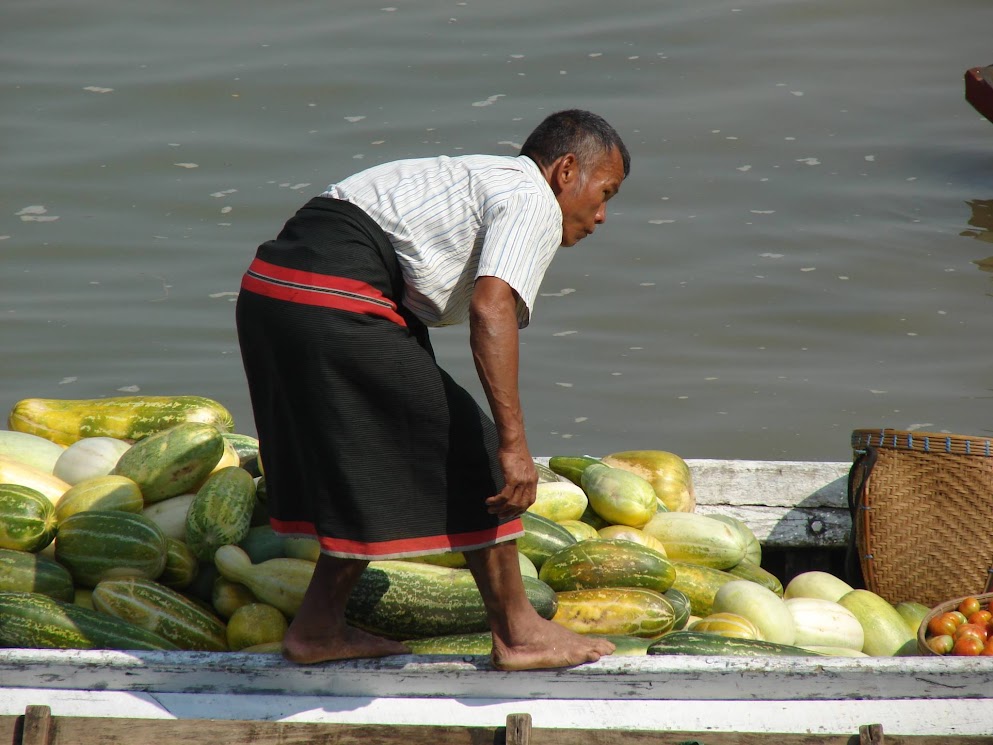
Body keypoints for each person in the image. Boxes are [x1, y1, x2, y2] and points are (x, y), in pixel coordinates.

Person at [236, 109, 630, 671]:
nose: (603, 215)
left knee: (367, 461)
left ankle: (317, 629)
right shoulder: (530, 197)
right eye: (605, 191)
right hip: (337, 296)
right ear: (566, 171)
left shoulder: (477, 178)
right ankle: (520, 634)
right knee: (478, 457)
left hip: (273, 292)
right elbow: (490, 307)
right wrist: (513, 446)